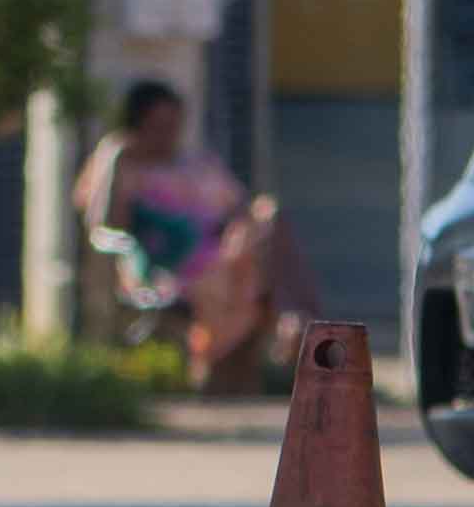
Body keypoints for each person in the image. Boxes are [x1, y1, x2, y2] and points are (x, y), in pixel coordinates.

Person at [78, 79, 304, 390]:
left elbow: (240, 207)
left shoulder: (197, 165)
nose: (168, 135)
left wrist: (242, 228)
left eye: (174, 126)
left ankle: (289, 320)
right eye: (158, 127)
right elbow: (103, 225)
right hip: (170, 270)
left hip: (227, 255)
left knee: (270, 218)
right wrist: (114, 156)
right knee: (249, 270)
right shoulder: (125, 170)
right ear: (135, 126)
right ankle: (292, 323)